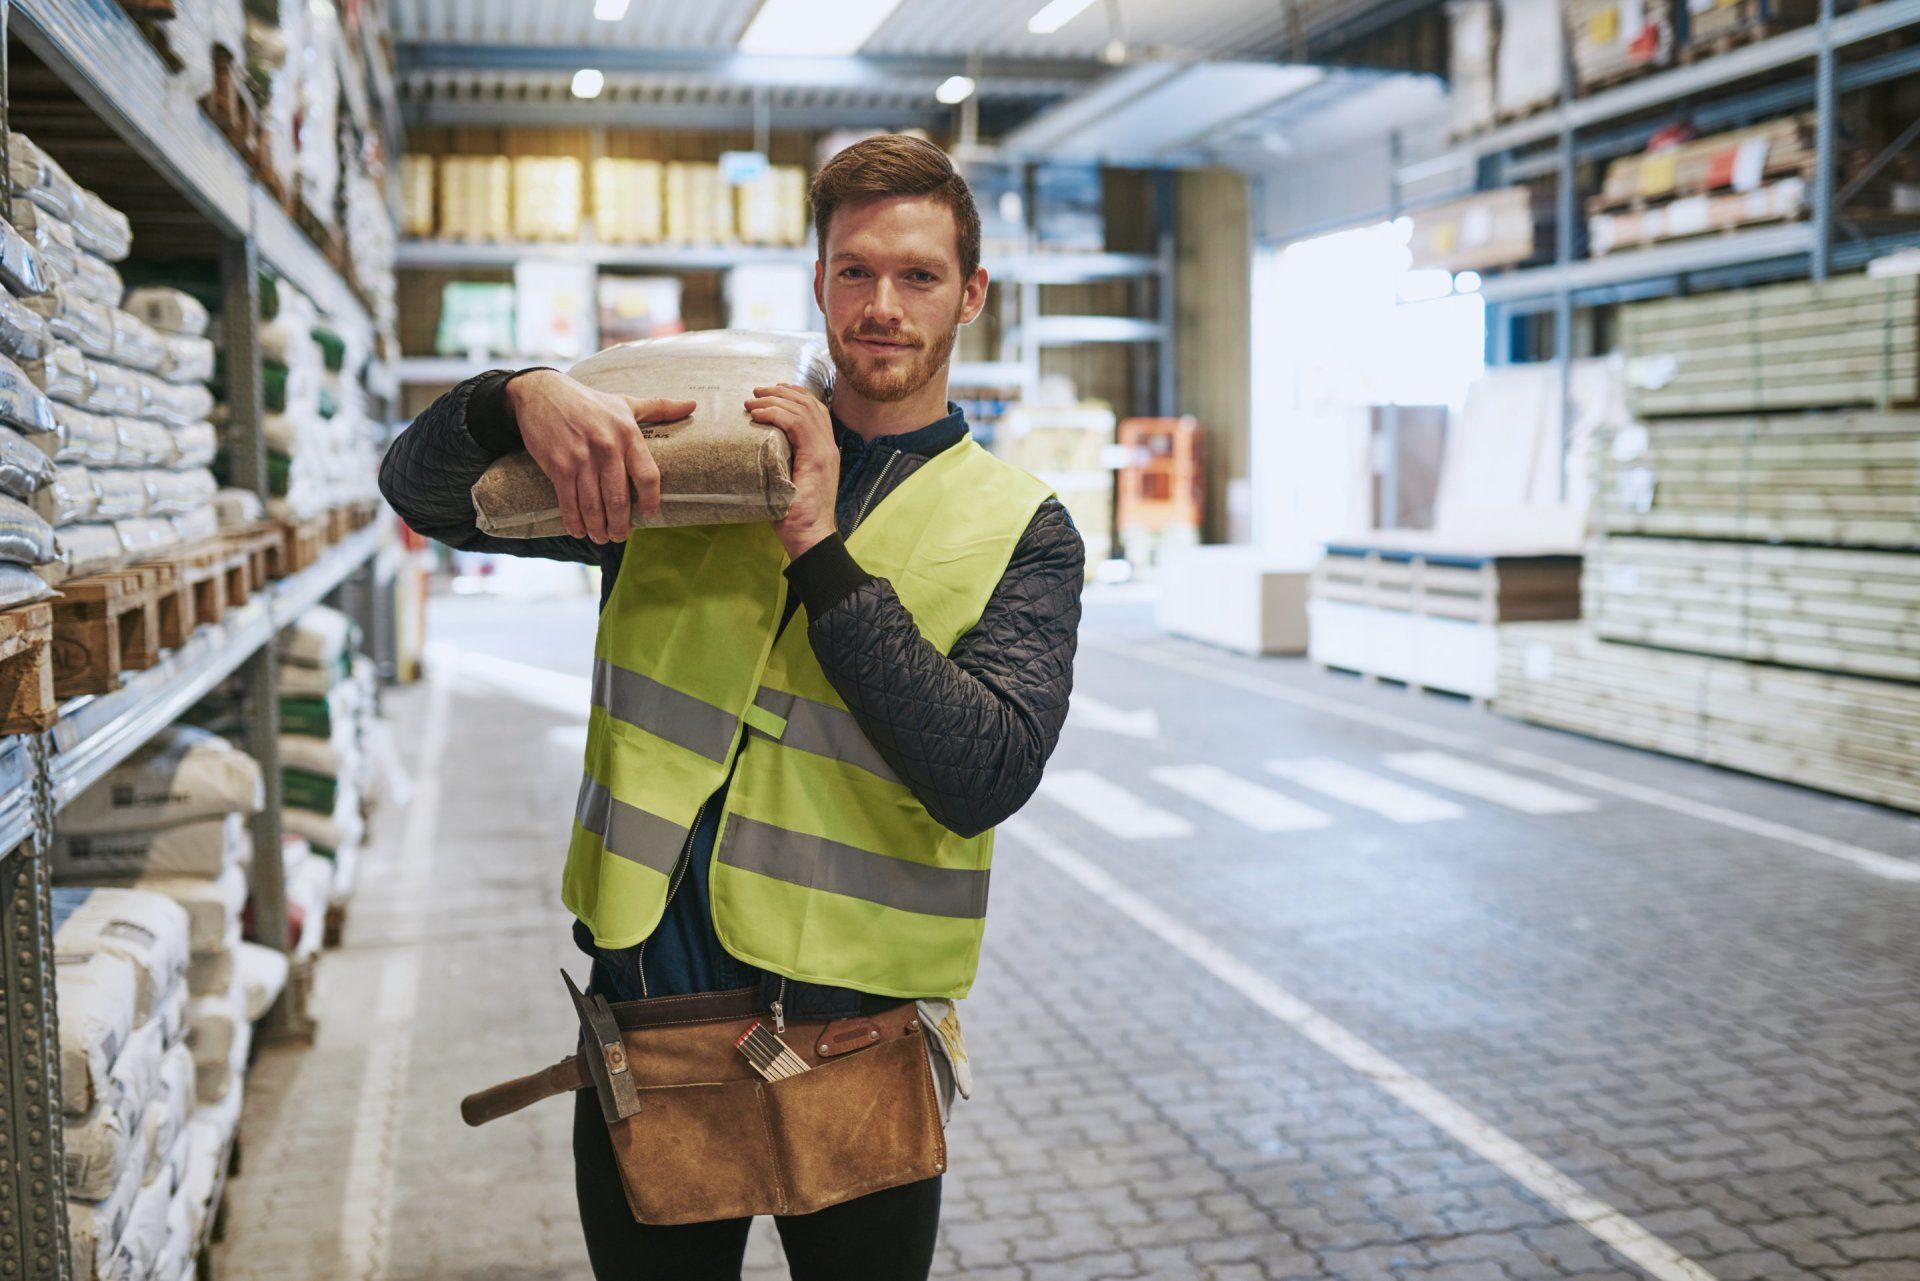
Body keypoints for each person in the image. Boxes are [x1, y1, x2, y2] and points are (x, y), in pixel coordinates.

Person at [379, 134, 1084, 1280]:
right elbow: (422, 493)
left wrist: (815, 538)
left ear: (972, 295)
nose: (883, 306)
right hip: (651, 1030)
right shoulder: (697, 460)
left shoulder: (1021, 526)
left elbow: (984, 771)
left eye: (918, 276)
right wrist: (517, 400)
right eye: (854, 271)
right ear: (817, 284)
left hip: (856, 1042)